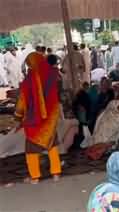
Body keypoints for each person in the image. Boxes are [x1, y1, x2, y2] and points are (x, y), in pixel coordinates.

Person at [15, 52, 61, 184]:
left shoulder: (28, 81)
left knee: (31, 150)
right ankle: (56, 173)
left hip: (33, 120)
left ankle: (35, 177)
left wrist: (18, 117)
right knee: (52, 145)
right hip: (49, 120)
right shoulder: (52, 75)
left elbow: (22, 101)